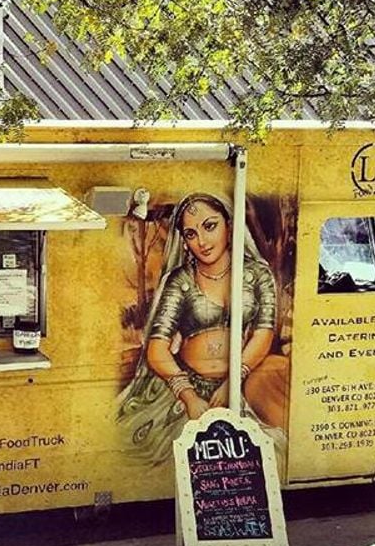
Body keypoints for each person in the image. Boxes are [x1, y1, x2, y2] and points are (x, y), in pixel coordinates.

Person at [117, 193, 288, 465]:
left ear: (229, 226)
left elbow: (263, 333)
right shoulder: (180, 280)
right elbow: (157, 349)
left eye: (210, 226)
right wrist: (188, 396)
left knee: (257, 456)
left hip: (238, 387)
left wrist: (233, 382)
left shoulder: (258, 275)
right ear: (184, 242)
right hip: (184, 389)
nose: (202, 242)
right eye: (191, 234)